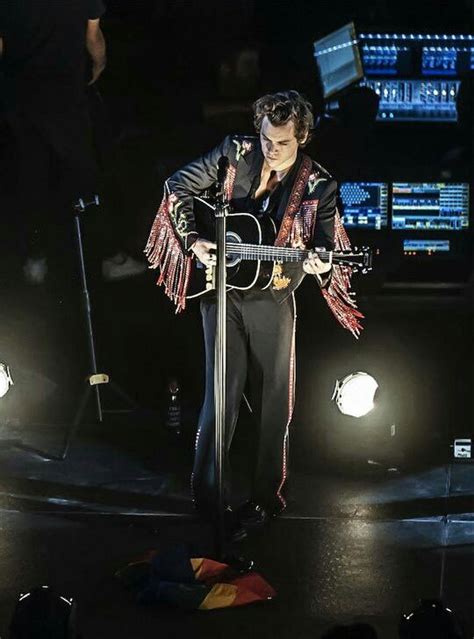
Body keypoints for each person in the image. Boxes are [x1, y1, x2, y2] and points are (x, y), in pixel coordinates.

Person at [145, 90, 363, 536]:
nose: (272, 151)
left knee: (272, 403)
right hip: (222, 290)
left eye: (283, 143)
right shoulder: (234, 150)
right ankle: (207, 498)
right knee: (219, 398)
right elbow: (177, 185)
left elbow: (322, 245)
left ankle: (266, 499)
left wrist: (320, 262)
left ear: (302, 137)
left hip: (274, 297)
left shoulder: (319, 184)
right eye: (266, 140)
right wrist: (193, 241)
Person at [0, 0, 106, 283]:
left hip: (22, 97)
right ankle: (98, 259)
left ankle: (36, 259)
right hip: (65, 96)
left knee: (31, 173)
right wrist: (98, 64)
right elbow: (93, 37)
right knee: (82, 173)